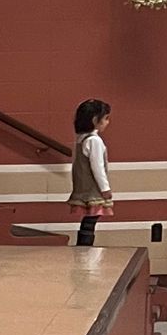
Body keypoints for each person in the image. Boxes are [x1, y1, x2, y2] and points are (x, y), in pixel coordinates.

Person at [71, 97, 114, 246]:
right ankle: (85, 248)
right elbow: (98, 167)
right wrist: (105, 188)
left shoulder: (81, 139)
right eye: (106, 119)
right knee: (90, 221)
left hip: (84, 187)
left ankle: (84, 247)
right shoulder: (94, 140)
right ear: (96, 120)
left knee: (89, 220)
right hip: (92, 189)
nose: (107, 122)